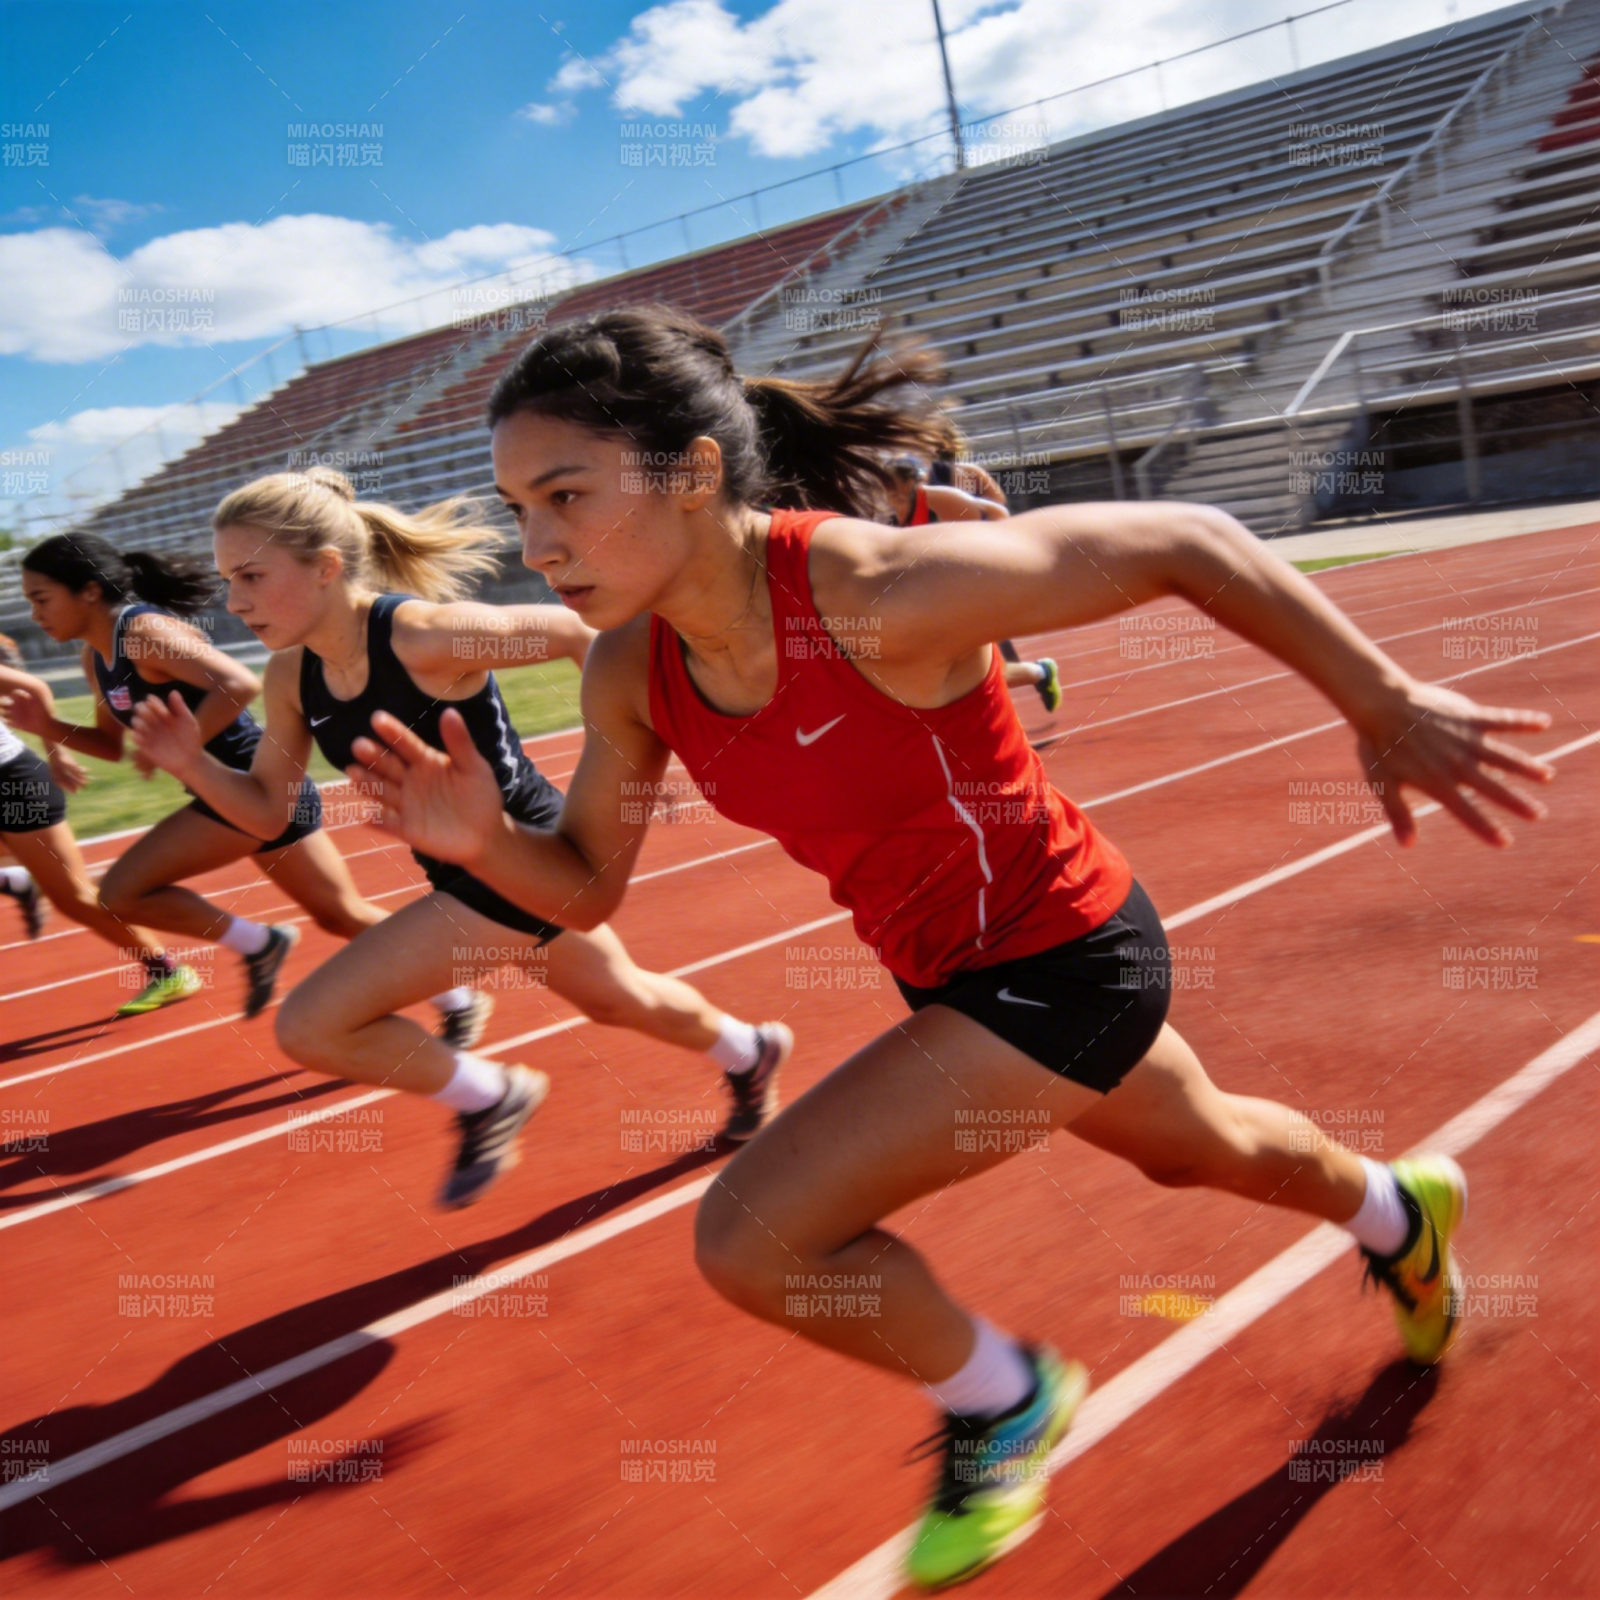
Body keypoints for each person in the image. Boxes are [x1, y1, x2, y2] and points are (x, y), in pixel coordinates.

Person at [344, 306, 1553, 1589]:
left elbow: (1188, 541)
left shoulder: (869, 591)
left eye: (566, 495)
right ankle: (1395, 1209)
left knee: (757, 1233)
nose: (536, 546)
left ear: (692, 472)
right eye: (517, 507)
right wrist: (478, 838)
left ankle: (1002, 1399)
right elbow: (582, 887)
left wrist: (1382, 702)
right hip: (952, 972)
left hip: (1069, 956)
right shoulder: (632, 672)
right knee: (1197, 1154)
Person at [129, 467, 790, 1208]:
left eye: (251, 575)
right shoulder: (290, 676)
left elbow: (579, 634)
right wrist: (191, 764)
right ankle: (750, 1050)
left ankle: (491, 1095)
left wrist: (634, 766)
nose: (234, 601)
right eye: (227, 580)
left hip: (528, 851)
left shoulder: (423, 636)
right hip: (461, 871)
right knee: (618, 999)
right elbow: (264, 811)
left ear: (325, 567)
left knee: (313, 1024)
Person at [13, 533, 478, 1028]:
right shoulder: (96, 658)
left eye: (41, 599)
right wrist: (46, 726)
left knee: (120, 893)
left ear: (87, 591)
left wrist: (183, 746)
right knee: (339, 914)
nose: (35, 615)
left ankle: (260, 943)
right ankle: (456, 999)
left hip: (254, 782)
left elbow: (238, 682)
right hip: (228, 792)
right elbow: (111, 745)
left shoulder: (142, 632)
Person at [0, 632, 177, 976]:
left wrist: (58, 753)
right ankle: (19, 880)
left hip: (12, 785)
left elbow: (33, 689)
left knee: (75, 897)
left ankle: (168, 970)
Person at [883, 457, 1062, 715]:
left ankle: (1036, 676)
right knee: (975, 672)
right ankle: (1039, 673)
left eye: (895, 488)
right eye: (887, 489)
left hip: (976, 592)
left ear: (912, 482)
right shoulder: (891, 515)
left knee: (975, 672)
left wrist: (986, 555)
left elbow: (998, 513)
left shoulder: (939, 499)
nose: (890, 495)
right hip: (943, 602)